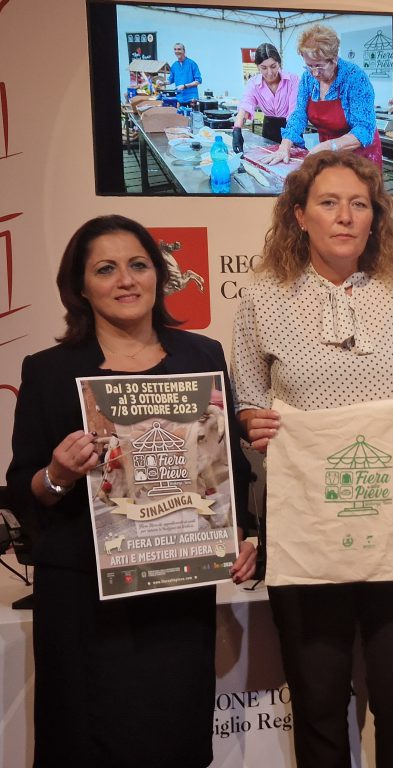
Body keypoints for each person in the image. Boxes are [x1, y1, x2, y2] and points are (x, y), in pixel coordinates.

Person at [6, 214, 257, 768]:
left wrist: (239, 535)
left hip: (176, 594)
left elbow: (229, 469)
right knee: (84, 744)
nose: (125, 280)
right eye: (105, 269)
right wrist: (58, 473)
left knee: (174, 740)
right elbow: (25, 485)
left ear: (158, 276)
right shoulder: (49, 371)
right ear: (80, 286)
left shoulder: (201, 357)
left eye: (138, 265)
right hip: (84, 603)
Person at [231, 151, 393, 767]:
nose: (345, 216)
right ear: (299, 216)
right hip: (304, 529)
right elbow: (246, 399)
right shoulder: (261, 296)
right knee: (319, 701)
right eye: (328, 203)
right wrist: (251, 420)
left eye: (359, 204)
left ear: (376, 218)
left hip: (392, 527)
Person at [263, 23, 382, 169]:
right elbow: (299, 113)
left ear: (334, 59)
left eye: (319, 66)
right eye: (309, 66)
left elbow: (364, 128)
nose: (314, 73)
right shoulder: (308, 79)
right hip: (329, 154)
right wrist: (285, 144)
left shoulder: (355, 78)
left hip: (360, 156)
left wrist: (330, 146)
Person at [232, 42, 299, 150]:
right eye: (264, 68)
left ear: (279, 63)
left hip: (291, 129)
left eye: (273, 66)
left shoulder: (292, 80)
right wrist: (237, 129)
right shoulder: (253, 84)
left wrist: (287, 143)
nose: (270, 72)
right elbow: (245, 104)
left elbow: (294, 112)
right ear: (258, 67)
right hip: (269, 130)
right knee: (268, 156)